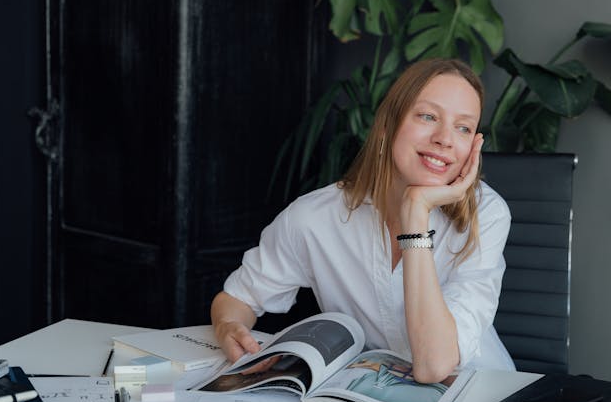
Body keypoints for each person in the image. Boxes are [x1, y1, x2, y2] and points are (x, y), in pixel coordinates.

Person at [211, 58, 515, 383]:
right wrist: (228, 325)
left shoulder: (486, 215)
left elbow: (434, 365)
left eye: (463, 128)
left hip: (477, 399)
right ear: (387, 125)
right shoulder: (315, 217)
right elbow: (238, 297)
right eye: (428, 116)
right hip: (369, 398)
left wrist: (415, 212)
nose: (445, 138)